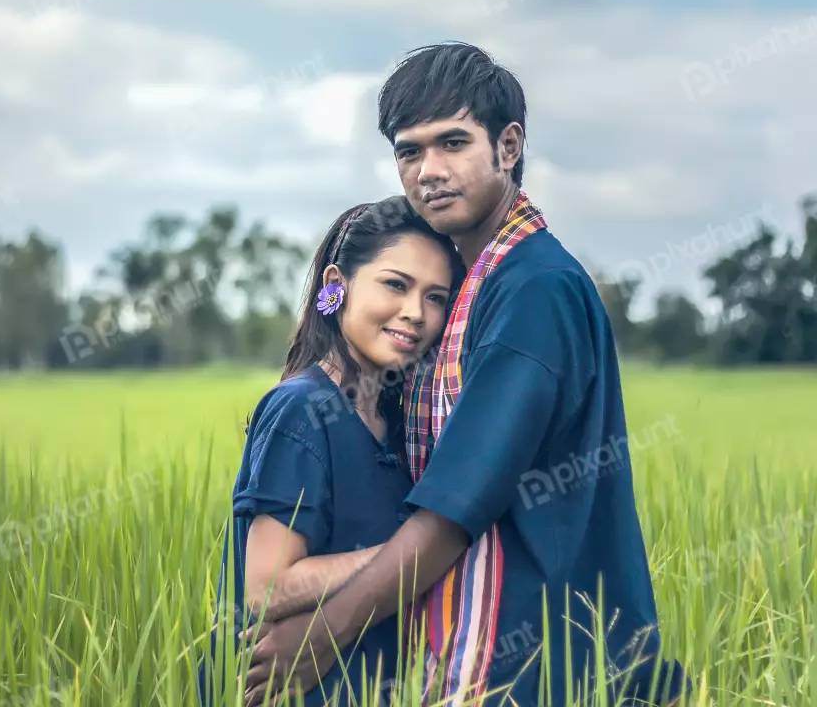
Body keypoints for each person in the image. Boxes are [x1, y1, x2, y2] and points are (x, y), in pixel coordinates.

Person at [242, 42, 691, 706]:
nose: (429, 171)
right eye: (409, 151)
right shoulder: (469, 288)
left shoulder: (535, 287)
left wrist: (327, 631)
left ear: (507, 148)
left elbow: (455, 508)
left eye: (453, 143)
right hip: (462, 648)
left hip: (533, 661)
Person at [197, 196, 464, 706]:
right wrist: (411, 556)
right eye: (396, 284)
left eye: (436, 298)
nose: (415, 313)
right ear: (336, 284)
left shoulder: (395, 421)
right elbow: (268, 587)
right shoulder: (301, 409)